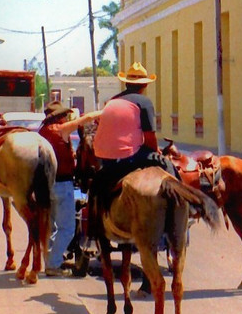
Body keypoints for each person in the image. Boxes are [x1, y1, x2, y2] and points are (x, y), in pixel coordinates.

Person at [91, 61, 175, 224]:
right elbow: (149, 137)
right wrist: (156, 154)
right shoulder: (144, 102)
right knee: (168, 168)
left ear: (127, 83)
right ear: (144, 85)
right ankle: (178, 205)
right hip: (129, 156)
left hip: (105, 159)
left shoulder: (112, 101)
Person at [39, 101, 100, 276]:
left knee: (49, 227)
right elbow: (86, 119)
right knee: (67, 228)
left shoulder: (42, 132)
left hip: (45, 185)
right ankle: (53, 264)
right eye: (64, 115)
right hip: (62, 184)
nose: (66, 118)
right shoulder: (60, 129)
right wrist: (104, 111)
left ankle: (49, 260)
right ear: (59, 117)